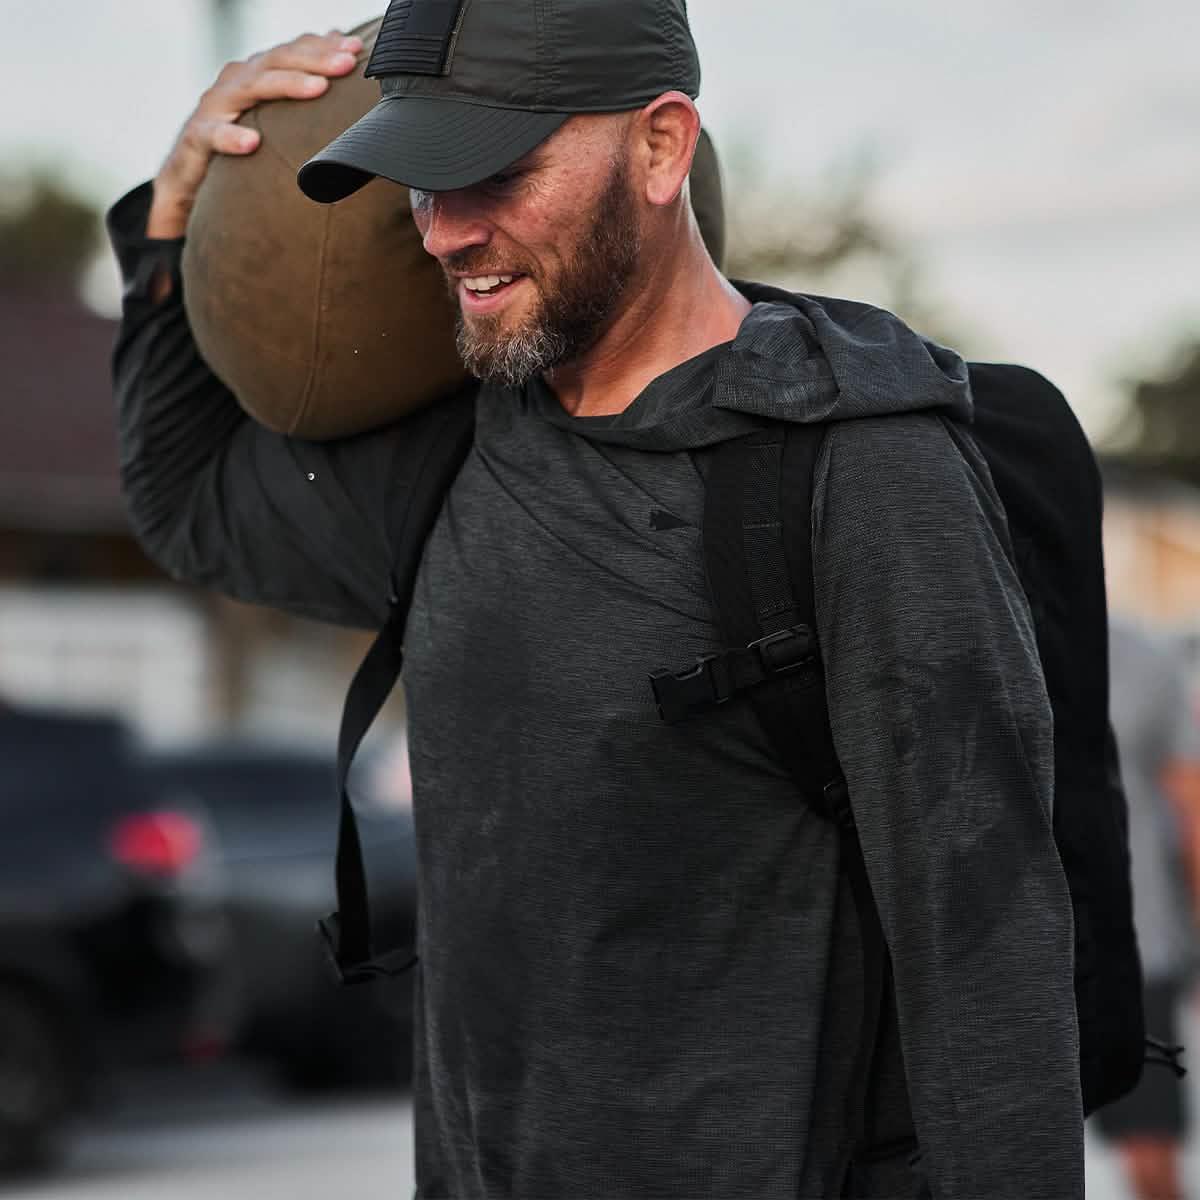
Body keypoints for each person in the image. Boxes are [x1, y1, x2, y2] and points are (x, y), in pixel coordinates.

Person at [107, 3, 1083, 1196]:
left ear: (661, 148)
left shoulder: (857, 472)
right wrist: (170, 208)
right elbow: (187, 498)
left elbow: (983, 946)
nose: (445, 233)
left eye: (495, 174)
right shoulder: (453, 458)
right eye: (421, 183)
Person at [1096, 615, 1200, 1200]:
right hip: (1007, 951)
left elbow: (1191, 806)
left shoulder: (1142, 659)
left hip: (1134, 948)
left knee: (1150, 1153)